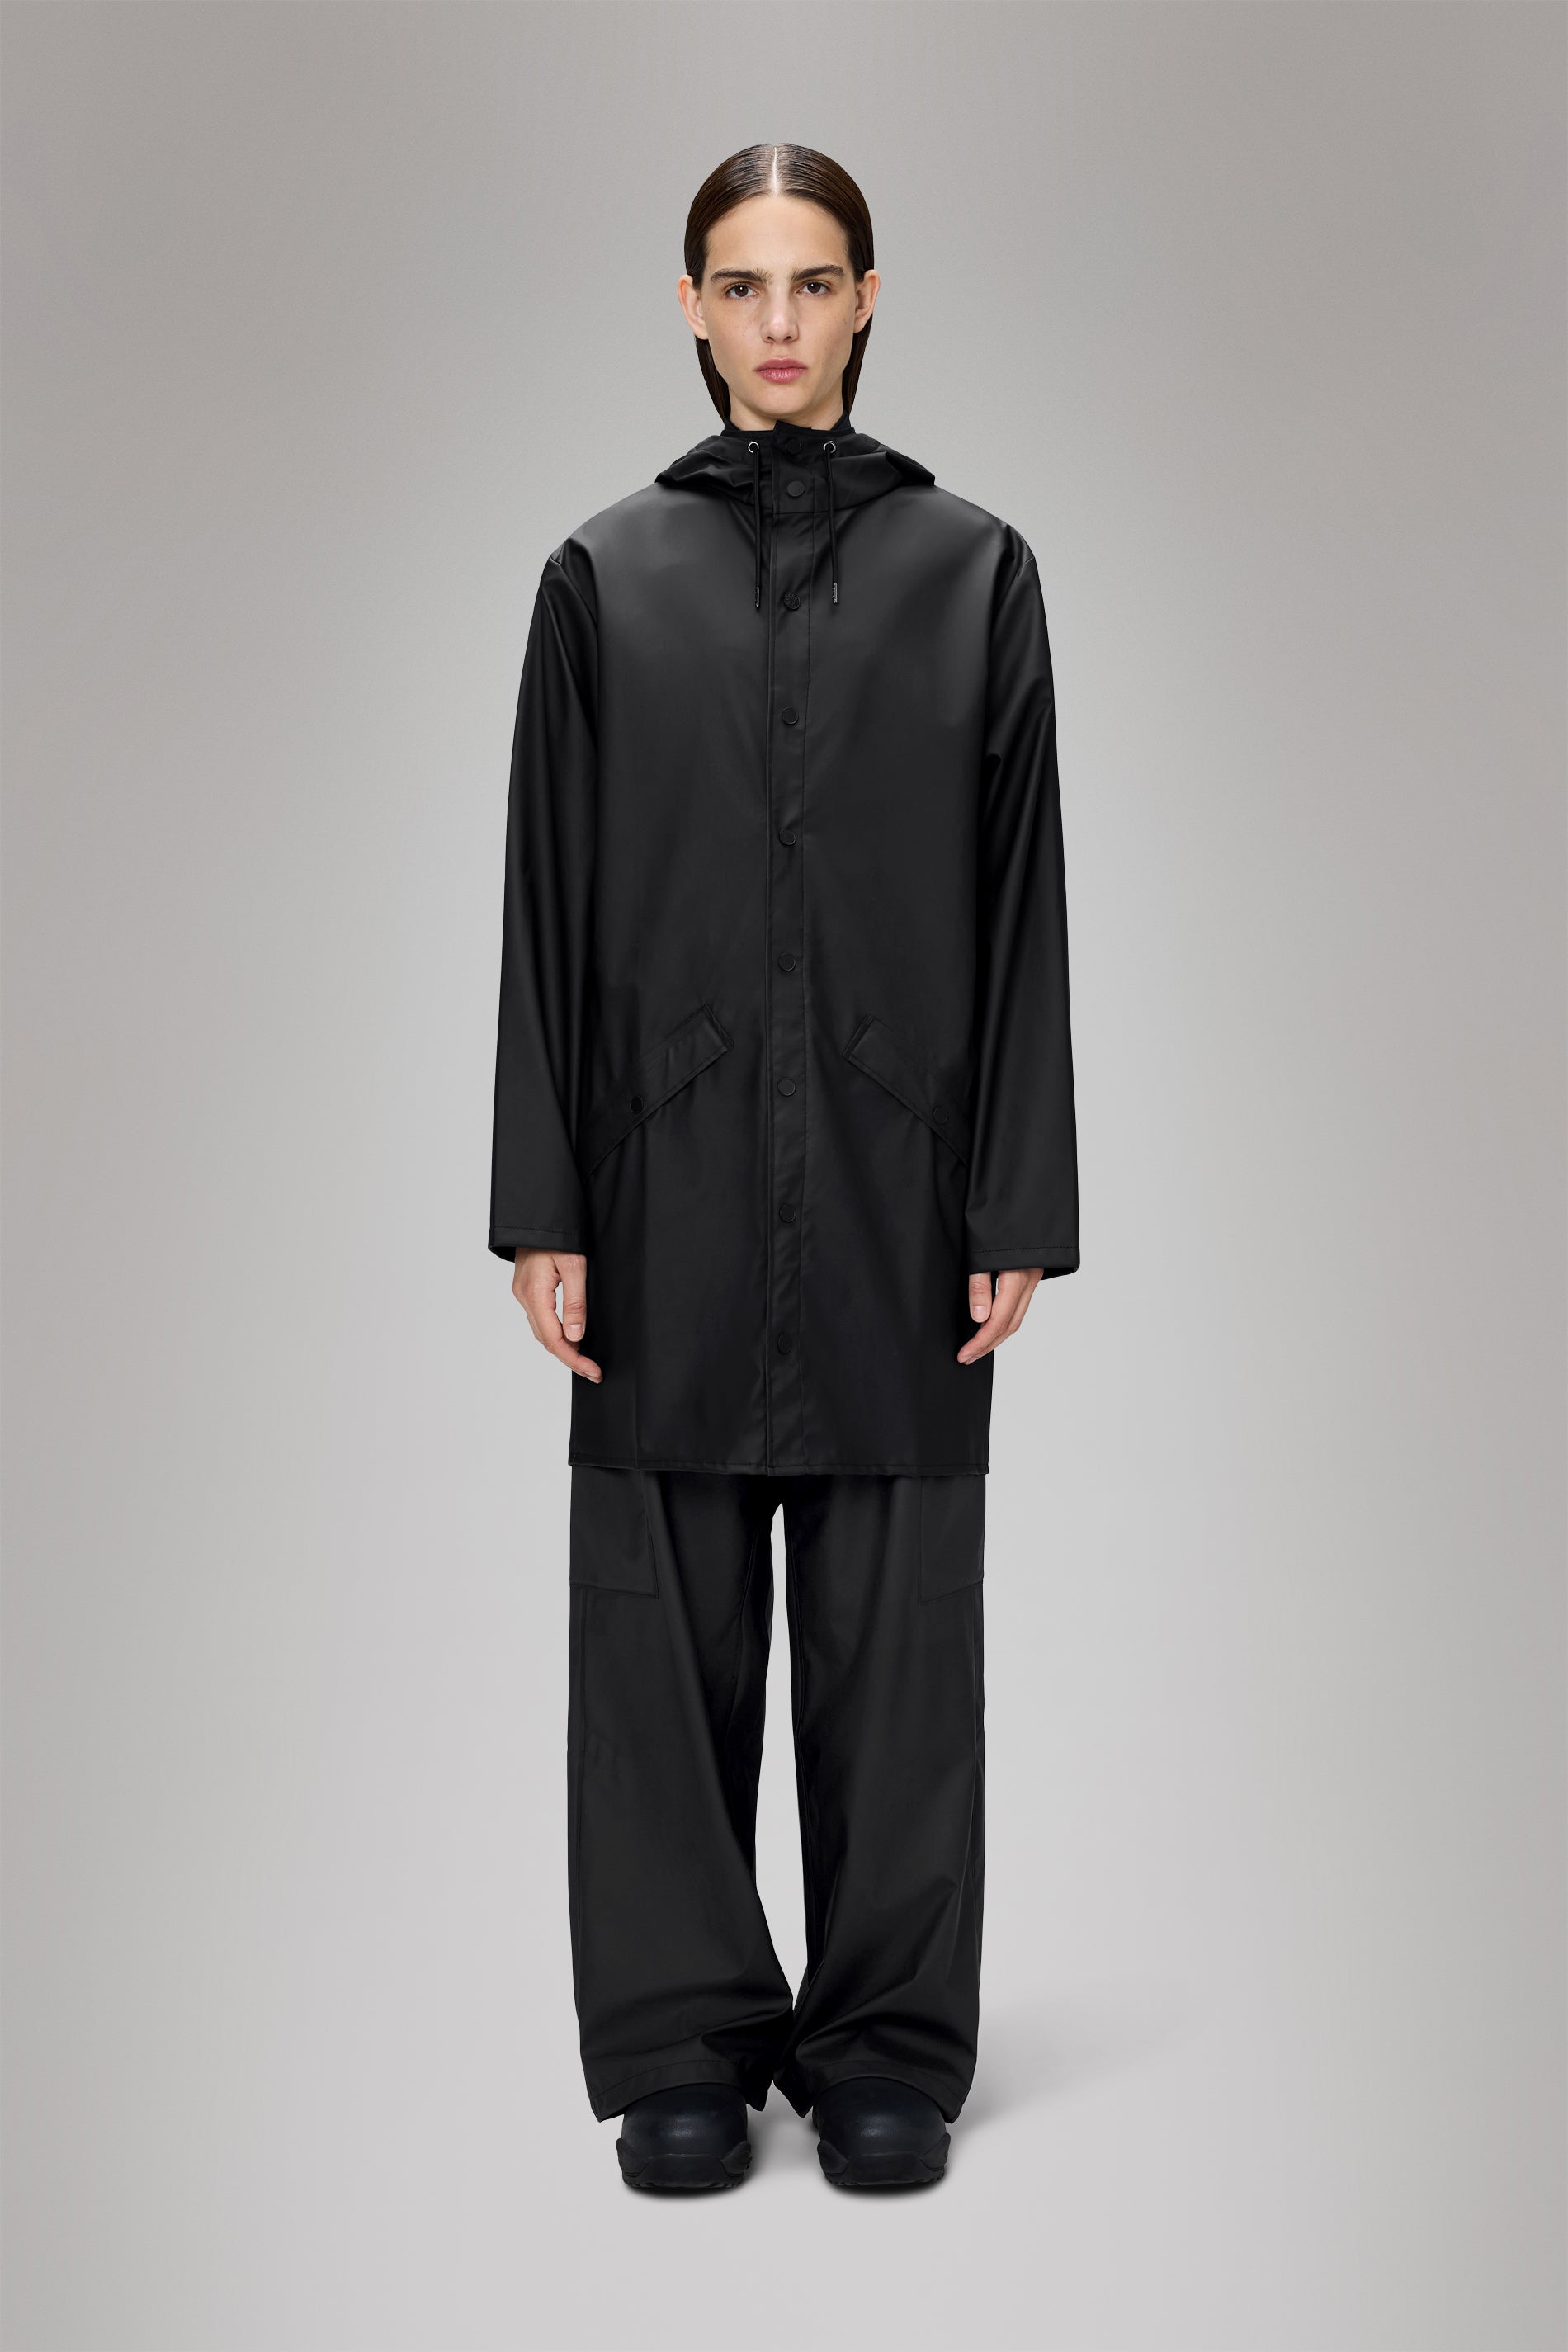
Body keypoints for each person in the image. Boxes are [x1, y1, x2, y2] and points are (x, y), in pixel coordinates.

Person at [489, 142, 1079, 2194]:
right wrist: (542, 1200)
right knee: (654, 1630)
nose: (776, 323)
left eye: (811, 283)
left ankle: (885, 2046)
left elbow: (1023, 901)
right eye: (739, 286)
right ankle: (676, 2040)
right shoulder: (602, 580)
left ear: (867, 297)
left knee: (897, 1637)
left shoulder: (972, 574)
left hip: (901, 1180)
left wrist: (1014, 1200)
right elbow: (543, 903)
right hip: (660, 1171)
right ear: (687, 305)